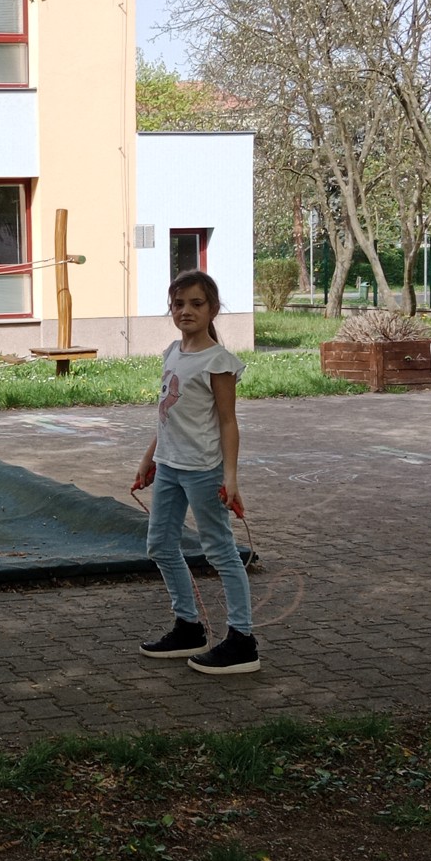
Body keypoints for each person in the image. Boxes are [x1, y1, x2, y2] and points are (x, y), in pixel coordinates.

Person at [132, 269, 261, 675]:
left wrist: (230, 477)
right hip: (169, 467)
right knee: (160, 546)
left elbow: (228, 422)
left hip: (203, 471)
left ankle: (242, 641)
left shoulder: (218, 361)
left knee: (220, 551)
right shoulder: (173, 352)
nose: (186, 310)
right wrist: (151, 457)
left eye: (196, 303)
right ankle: (188, 627)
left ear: (213, 309)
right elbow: (166, 415)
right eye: (178, 303)